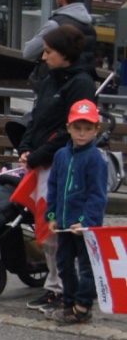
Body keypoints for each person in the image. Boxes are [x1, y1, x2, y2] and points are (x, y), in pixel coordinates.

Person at [18, 25, 96, 315]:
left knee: (62, 230)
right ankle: (54, 286)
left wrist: (38, 154)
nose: (44, 56)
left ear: (65, 54)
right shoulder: (51, 78)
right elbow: (37, 118)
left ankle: (66, 290)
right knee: (49, 226)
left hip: (64, 165)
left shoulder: (80, 83)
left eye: (49, 51)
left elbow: (71, 131)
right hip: (44, 161)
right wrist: (26, 146)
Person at [45, 99, 108, 325]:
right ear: (69, 127)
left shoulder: (95, 159)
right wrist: (52, 215)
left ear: (96, 129)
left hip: (84, 227)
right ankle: (69, 301)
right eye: (78, 128)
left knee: (86, 267)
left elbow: (97, 195)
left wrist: (85, 221)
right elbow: (53, 187)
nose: (82, 133)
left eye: (88, 129)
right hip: (64, 224)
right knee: (63, 263)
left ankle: (82, 306)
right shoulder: (61, 155)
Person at [22, 0, 98, 82]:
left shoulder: (55, 24)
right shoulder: (90, 25)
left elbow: (28, 53)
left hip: (57, 81)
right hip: (80, 81)